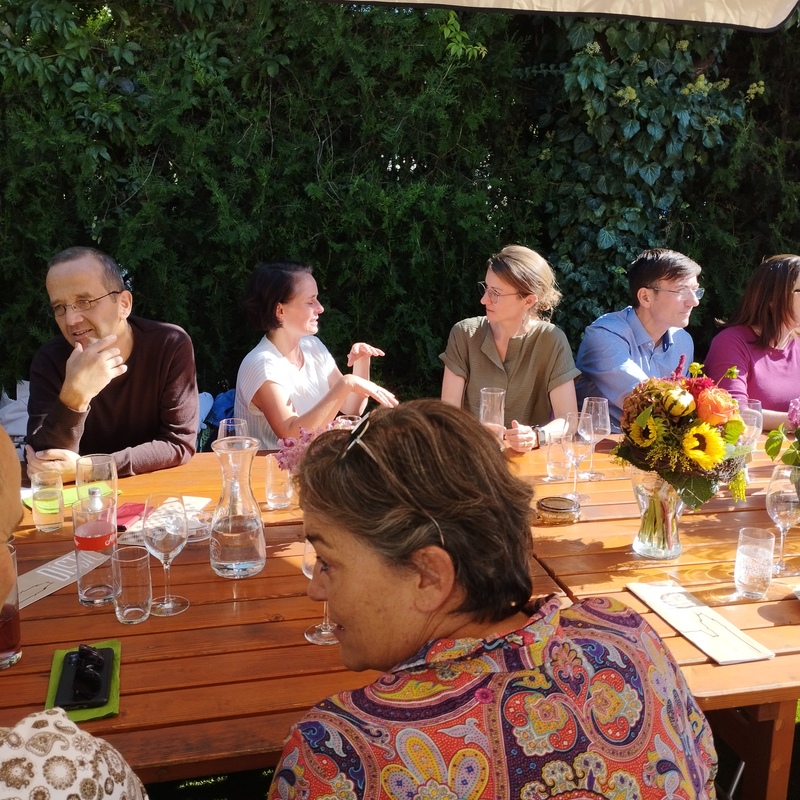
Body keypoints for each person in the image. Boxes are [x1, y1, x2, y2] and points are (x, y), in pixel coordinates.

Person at [268, 400, 718, 799]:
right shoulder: (628, 636)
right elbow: (705, 770)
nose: (315, 589)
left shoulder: (341, 755)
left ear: (429, 576)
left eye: (327, 562)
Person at [0, 427, 147, 799]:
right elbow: (44, 450)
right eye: (6, 538)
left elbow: (178, 444)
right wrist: (74, 401)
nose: (12, 557)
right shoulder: (64, 765)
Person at [26, 246, 198, 480]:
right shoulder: (49, 360)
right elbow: (45, 462)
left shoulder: (168, 346)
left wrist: (91, 468)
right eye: (59, 307)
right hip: (81, 497)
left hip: (155, 488)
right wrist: (74, 397)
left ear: (124, 304)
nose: (71, 319)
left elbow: (178, 443)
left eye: (84, 301)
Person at [234, 262, 397, 449]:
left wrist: (361, 363)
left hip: (312, 463)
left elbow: (352, 408)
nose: (320, 308)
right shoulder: (261, 364)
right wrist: (347, 383)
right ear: (280, 311)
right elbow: (292, 435)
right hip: (267, 468)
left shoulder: (313, 346)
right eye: (310, 302)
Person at [440, 245, 579, 451]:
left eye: (495, 293)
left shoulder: (551, 340)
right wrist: (472, 434)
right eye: (486, 288)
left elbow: (568, 420)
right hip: (471, 456)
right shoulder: (465, 334)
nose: (484, 300)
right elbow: (447, 414)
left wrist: (536, 436)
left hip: (528, 461)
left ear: (528, 300)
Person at [576, 248, 702, 431]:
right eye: (682, 290)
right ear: (645, 297)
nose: (694, 301)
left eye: (695, 290)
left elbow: (681, 408)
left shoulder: (683, 341)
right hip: (601, 443)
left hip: (655, 444)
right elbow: (646, 402)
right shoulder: (604, 335)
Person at [704, 254, 800, 431]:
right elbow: (735, 412)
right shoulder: (731, 343)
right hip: (752, 448)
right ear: (772, 298)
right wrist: (796, 421)